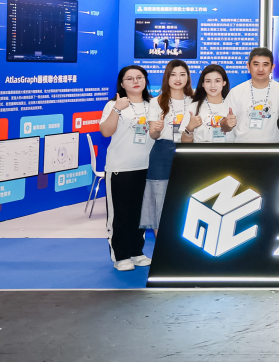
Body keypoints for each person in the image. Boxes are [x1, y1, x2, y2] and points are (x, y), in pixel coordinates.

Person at [98, 66, 153, 271]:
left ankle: (137, 252)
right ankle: (120, 256)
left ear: (145, 80)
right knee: (120, 215)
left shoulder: (154, 104)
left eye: (139, 77)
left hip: (146, 167)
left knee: (140, 215)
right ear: (122, 83)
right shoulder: (113, 104)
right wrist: (117, 109)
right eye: (129, 78)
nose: (135, 81)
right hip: (120, 168)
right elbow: (105, 132)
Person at [140, 59, 192, 233]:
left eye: (182, 74)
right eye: (173, 74)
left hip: (187, 152)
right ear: (167, 77)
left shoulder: (194, 101)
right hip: (162, 152)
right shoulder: (157, 101)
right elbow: (153, 135)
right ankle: (160, 244)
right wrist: (157, 129)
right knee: (158, 200)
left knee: (185, 197)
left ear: (188, 77)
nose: (178, 78)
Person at [223, 48, 279, 143]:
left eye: (265, 65)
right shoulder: (236, 92)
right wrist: (227, 123)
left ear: (272, 67)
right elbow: (223, 126)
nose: (260, 69)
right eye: (256, 64)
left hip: (273, 148)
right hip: (242, 147)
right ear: (248, 66)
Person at [183, 64, 231, 144]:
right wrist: (189, 128)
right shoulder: (193, 107)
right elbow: (184, 143)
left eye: (217, 81)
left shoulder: (232, 106)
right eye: (208, 81)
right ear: (203, 84)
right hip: (200, 151)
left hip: (227, 151)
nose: (212, 85)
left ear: (224, 83)